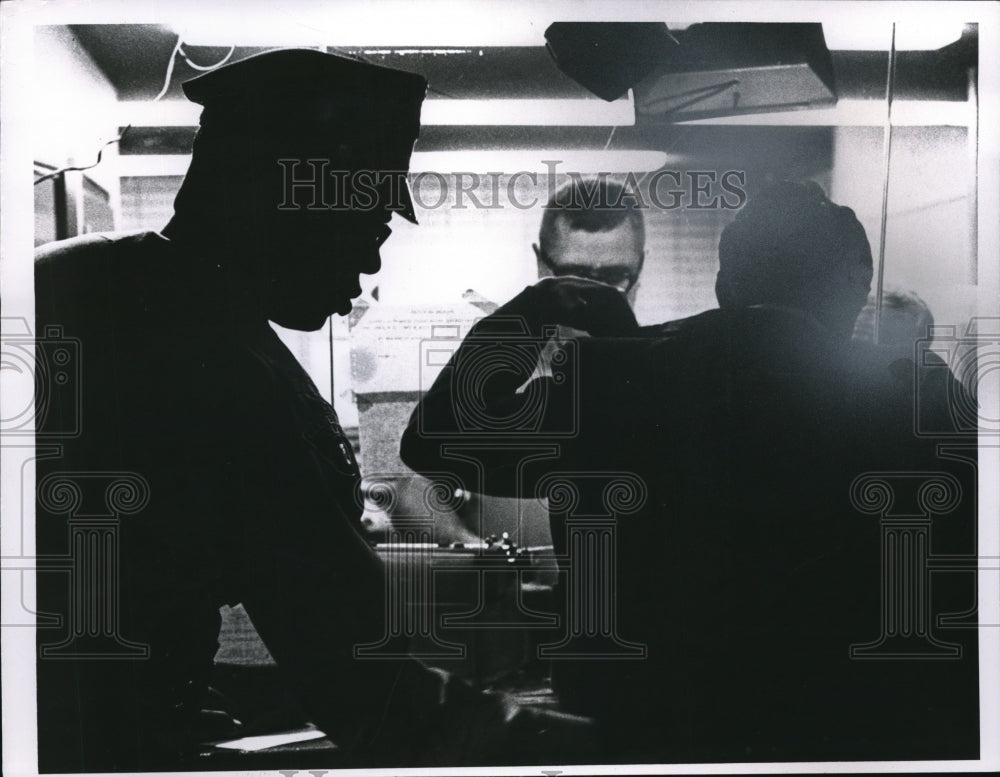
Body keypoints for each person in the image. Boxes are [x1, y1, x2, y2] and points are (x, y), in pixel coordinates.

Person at [35, 49, 586, 772]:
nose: (372, 261)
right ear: (287, 202)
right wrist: (573, 742)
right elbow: (369, 688)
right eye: (370, 222)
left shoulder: (61, 278)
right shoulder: (245, 381)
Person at [400, 181, 978, 762]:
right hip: (850, 718)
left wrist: (534, 307)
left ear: (725, 283)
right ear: (855, 290)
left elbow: (439, 440)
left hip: (647, 719)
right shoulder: (912, 392)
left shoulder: (618, 378)